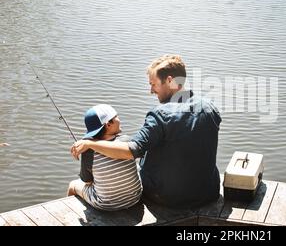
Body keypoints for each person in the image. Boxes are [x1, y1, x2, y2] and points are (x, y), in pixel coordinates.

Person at [71, 55, 221, 208]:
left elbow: (130, 150)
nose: (151, 91)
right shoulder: (210, 107)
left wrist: (90, 143)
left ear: (170, 81)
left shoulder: (161, 115)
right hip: (208, 193)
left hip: (168, 197)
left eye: (153, 84)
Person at [68, 104, 142, 211]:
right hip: (135, 198)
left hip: (106, 205)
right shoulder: (126, 140)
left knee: (73, 185)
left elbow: (87, 181)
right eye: (117, 117)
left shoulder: (88, 150)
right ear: (108, 124)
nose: (119, 119)